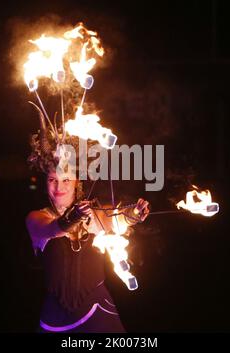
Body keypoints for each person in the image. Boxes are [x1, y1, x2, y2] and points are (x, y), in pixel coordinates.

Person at [25, 103, 150, 333]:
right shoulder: (36, 218)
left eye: (66, 180)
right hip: (54, 320)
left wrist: (134, 214)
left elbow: (117, 221)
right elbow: (53, 229)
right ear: (46, 183)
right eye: (52, 180)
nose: (59, 186)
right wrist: (73, 217)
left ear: (76, 183)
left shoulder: (92, 212)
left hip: (98, 314)